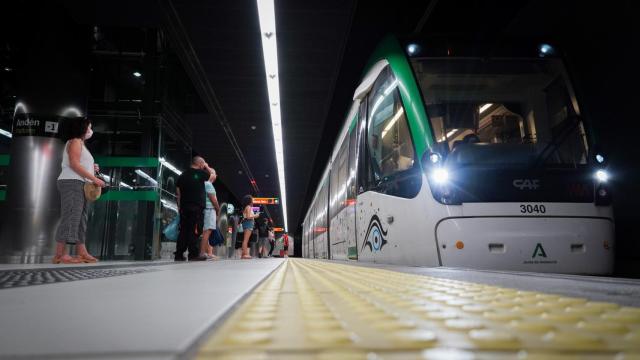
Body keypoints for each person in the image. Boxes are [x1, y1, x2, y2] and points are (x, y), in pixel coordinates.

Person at [54, 117, 106, 264]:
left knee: (80, 219)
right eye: (89, 127)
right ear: (82, 128)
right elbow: (74, 164)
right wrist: (95, 180)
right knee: (71, 216)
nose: (91, 130)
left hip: (79, 183)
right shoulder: (75, 141)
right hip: (71, 182)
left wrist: (92, 168)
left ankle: (81, 252)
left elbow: (79, 163)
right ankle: (60, 254)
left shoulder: (81, 144)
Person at [176, 156, 212, 261]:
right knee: (195, 230)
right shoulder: (201, 174)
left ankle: (178, 254)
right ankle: (193, 254)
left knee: (183, 230)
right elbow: (212, 175)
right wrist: (207, 166)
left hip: (184, 208)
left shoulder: (182, 175)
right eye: (203, 164)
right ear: (200, 164)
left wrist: (179, 207)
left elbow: (178, 193)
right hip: (196, 208)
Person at [200, 170, 221, 260]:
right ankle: (202, 253)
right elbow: (213, 200)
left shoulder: (206, 184)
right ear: (211, 175)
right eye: (214, 173)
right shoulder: (208, 184)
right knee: (207, 231)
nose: (215, 175)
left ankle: (206, 252)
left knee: (207, 231)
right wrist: (218, 210)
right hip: (209, 209)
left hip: (208, 210)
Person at [240, 195, 259, 259]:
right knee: (246, 240)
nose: (252, 201)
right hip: (248, 223)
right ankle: (245, 254)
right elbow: (248, 217)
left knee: (245, 239)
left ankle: (244, 254)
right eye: (252, 200)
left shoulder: (247, 207)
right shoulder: (248, 207)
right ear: (249, 201)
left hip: (247, 223)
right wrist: (255, 216)